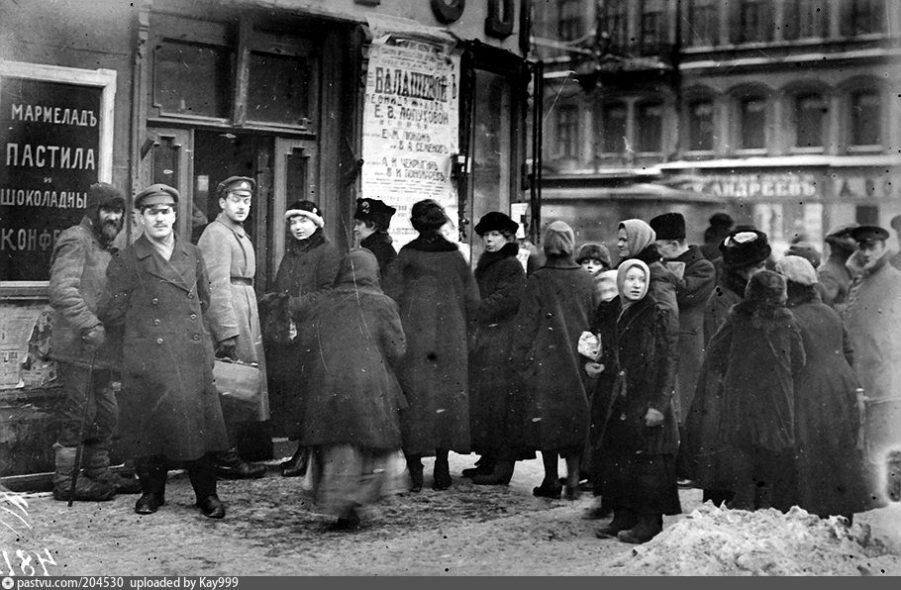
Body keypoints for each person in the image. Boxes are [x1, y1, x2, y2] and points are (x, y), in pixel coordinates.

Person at [98, 184, 229, 518]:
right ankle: (152, 493)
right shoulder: (127, 260)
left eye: (166, 212)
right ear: (140, 218)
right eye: (152, 212)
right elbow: (111, 311)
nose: (160, 218)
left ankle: (207, 495)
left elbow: (203, 299)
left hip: (189, 353)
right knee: (149, 429)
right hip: (149, 357)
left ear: (174, 215)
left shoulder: (192, 253)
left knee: (198, 427)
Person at [293, 249, 407, 530]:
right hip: (368, 387)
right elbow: (397, 349)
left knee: (335, 447)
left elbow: (307, 343)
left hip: (327, 386)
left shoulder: (323, 302)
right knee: (367, 446)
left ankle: (339, 504)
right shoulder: (383, 303)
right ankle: (358, 500)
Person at [47, 182, 140, 501]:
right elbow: (62, 290)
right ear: (93, 211)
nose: (113, 217)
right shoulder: (76, 239)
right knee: (80, 413)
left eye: (118, 211)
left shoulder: (107, 245)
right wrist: (89, 324)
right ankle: (65, 482)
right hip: (77, 347)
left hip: (101, 350)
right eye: (107, 210)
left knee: (107, 412)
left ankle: (98, 472)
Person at [383, 199, 479, 492]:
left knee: (414, 400)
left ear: (415, 225)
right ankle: (442, 466)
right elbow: (473, 301)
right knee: (447, 400)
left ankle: (414, 469)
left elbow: (390, 297)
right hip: (451, 341)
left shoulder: (407, 255)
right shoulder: (456, 256)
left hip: (415, 341)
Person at [590, 258, 680, 544]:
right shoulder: (609, 310)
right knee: (617, 458)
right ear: (620, 281)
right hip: (616, 397)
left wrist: (659, 404)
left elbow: (667, 361)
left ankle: (649, 521)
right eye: (631, 279)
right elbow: (595, 346)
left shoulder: (655, 313)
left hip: (645, 398)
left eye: (642, 280)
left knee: (648, 462)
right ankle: (623, 516)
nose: (636, 285)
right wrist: (590, 364)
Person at [774, 255, 871, 520]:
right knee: (839, 452)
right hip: (842, 387)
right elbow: (849, 351)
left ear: (788, 284)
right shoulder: (828, 312)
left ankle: (812, 515)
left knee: (810, 455)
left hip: (810, 391)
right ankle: (842, 515)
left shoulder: (788, 317)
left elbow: (788, 362)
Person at [682, 228, 772, 507]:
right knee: (725, 472)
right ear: (738, 269)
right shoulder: (723, 299)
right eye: (753, 267)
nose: (760, 272)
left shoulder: (751, 293)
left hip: (748, 394)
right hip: (727, 394)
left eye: (762, 265)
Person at [704, 270, 806, 511]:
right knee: (772, 450)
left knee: (741, 448)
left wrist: (727, 375)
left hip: (741, 393)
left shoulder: (736, 317)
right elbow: (799, 360)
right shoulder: (786, 319)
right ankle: (767, 504)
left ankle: (743, 502)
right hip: (776, 396)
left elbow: (714, 353)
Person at [509, 220, 596, 500]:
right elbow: (595, 320)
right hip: (579, 360)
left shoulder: (539, 278)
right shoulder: (586, 278)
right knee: (574, 418)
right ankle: (572, 476)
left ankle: (549, 479)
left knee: (547, 420)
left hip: (545, 362)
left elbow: (526, 324)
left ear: (546, 245)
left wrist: (519, 358)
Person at [263, 200, 341, 478]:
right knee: (295, 392)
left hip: (315, 333)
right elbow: (279, 286)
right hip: (290, 333)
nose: (297, 227)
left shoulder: (328, 253)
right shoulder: (292, 254)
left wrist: (291, 305)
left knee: (311, 393)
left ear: (316, 224)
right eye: (293, 222)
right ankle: (301, 451)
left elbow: (328, 293)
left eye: (303, 221)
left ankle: (308, 454)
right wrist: (275, 303)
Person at [196, 176, 268, 480]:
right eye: (235, 199)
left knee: (241, 386)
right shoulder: (216, 234)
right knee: (231, 387)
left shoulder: (236, 232)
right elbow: (216, 285)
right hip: (232, 315)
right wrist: (226, 330)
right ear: (222, 202)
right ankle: (225, 457)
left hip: (245, 309)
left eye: (247, 201)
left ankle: (230, 453)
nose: (242, 206)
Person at [465, 212, 528, 486]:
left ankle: (503, 466)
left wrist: (475, 309)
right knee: (487, 404)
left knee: (502, 406)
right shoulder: (487, 264)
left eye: (495, 235)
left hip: (504, 342)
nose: (489, 240)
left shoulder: (511, 265)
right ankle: (488, 459)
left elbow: (508, 299)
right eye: (486, 236)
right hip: (487, 341)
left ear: (508, 237)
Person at [842, 225, 901, 497]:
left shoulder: (894, 281)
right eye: (860, 247)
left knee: (883, 445)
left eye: (870, 246)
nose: (864, 252)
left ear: (883, 247)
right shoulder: (861, 279)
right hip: (863, 374)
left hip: (884, 377)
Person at [650, 213, 715, 447]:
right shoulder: (669, 264)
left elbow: (685, 294)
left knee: (685, 404)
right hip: (669, 341)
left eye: (659, 246)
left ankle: (686, 465)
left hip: (688, 345)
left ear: (674, 244)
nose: (658, 252)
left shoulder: (703, 267)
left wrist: (658, 271)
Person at [353, 198, 397, 280]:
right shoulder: (376, 248)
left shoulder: (378, 252)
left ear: (372, 225)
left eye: (359, 224)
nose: (355, 228)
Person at [818, 224, 858, 311]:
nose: (858, 244)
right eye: (854, 238)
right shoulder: (827, 273)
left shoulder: (848, 269)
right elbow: (827, 308)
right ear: (841, 244)